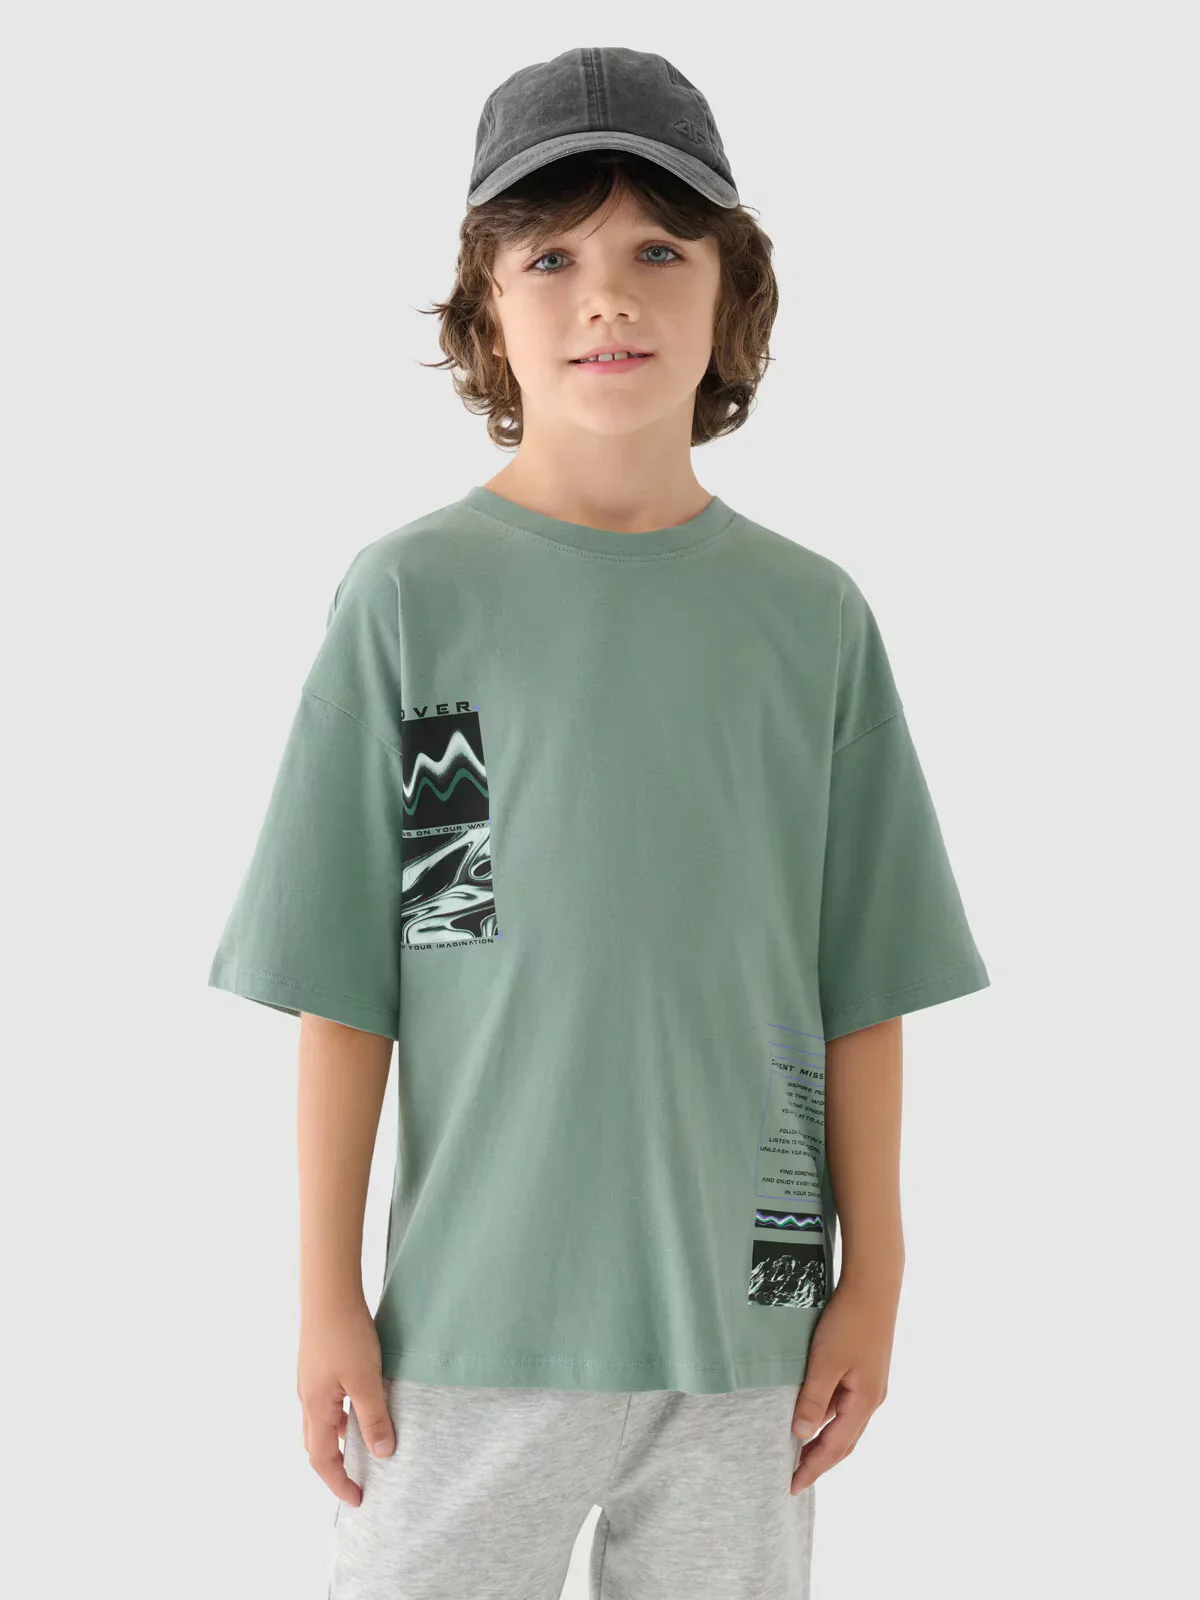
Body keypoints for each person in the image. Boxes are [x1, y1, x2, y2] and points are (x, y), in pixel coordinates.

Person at [207, 45, 990, 1600]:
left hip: (748, 1335)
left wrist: (877, 1278)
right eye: (552, 257)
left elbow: (863, 983)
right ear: (485, 308)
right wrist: (325, 1297)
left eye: (658, 251)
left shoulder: (809, 622)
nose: (608, 296)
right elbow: (361, 980)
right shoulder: (419, 602)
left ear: (732, 293)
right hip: (471, 1330)